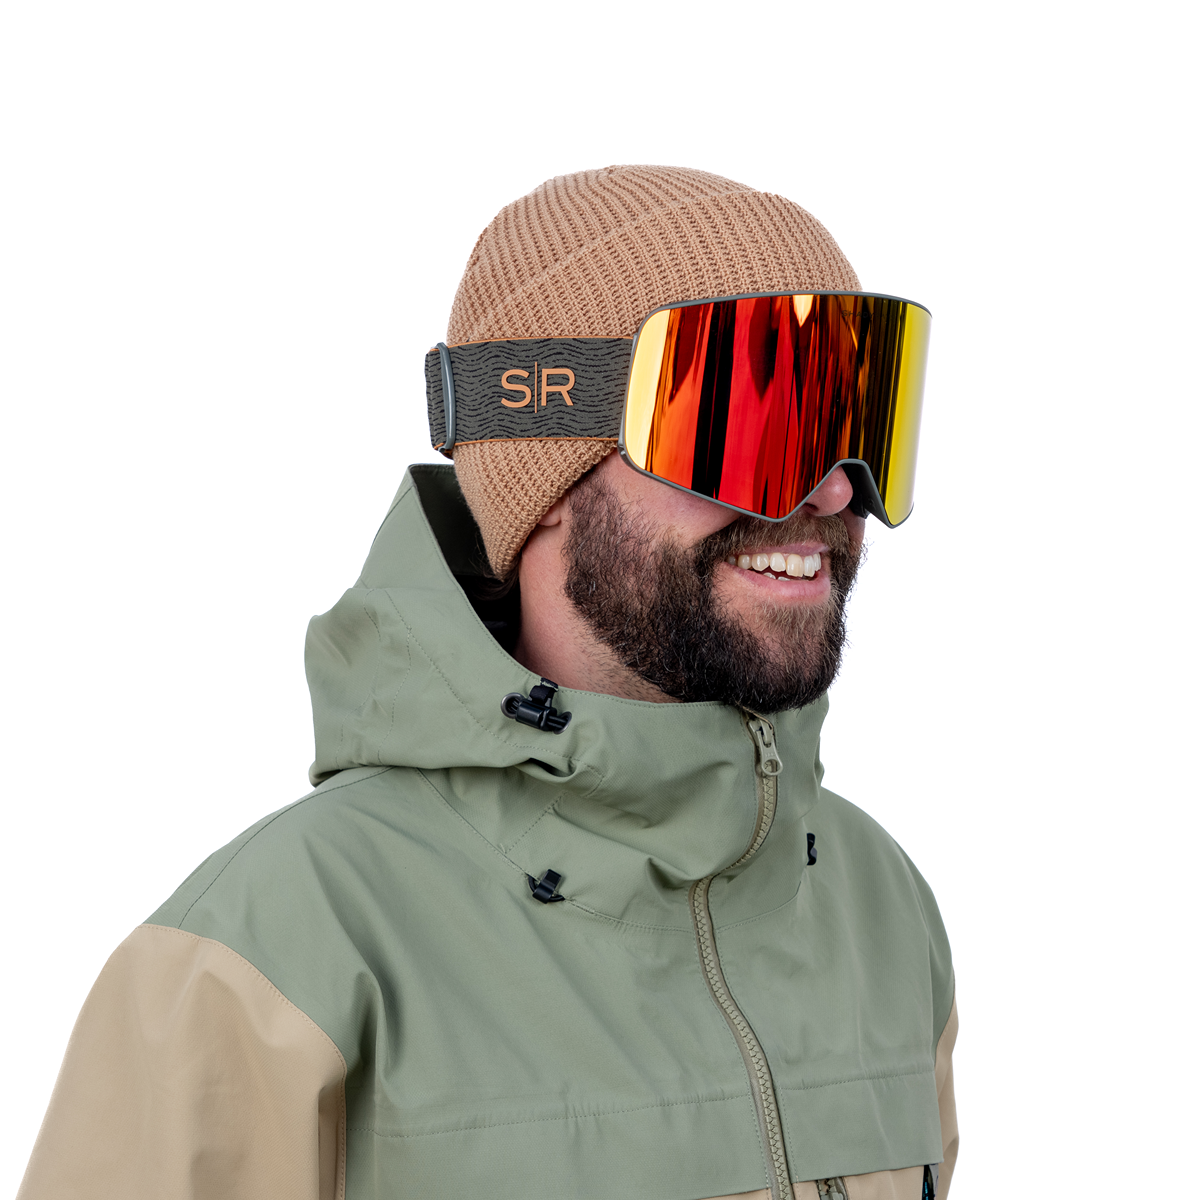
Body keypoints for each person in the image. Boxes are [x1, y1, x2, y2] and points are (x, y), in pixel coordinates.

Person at [18, 165, 958, 1200]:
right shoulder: (277, 950)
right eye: (749, 420)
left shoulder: (876, 904)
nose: (833, 490)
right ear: (542, 469)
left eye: (858, 417)